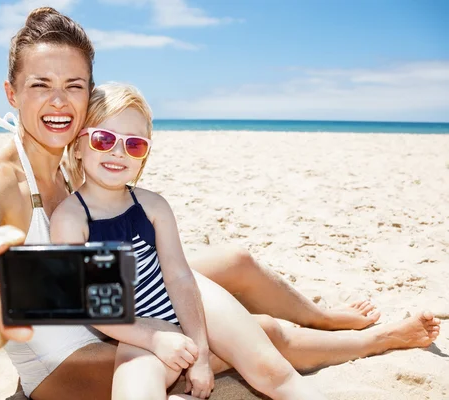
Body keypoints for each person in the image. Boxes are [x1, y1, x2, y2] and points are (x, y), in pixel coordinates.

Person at [0, 7, 441, 400]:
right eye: (40, 86)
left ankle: (328, 317)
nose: (58, 101)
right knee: (252, 335)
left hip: (100, 296)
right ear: (12, 93)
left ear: (89, 92)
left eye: (73, 85)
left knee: (234, 262)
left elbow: (111, 264)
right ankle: (379, 340)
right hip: (67, 357)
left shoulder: (76, 150)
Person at [50, 81, 327, 399]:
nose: (118, 152)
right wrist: (153, 339)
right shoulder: (71, 219)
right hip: (137, 327)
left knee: (273, 373)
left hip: (193, 305)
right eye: (103, 139)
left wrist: (202, 353)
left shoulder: (153, 206)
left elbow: (180, 278)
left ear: (144, 155)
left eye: (134, 145)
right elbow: (86, 306)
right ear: (79, 145)